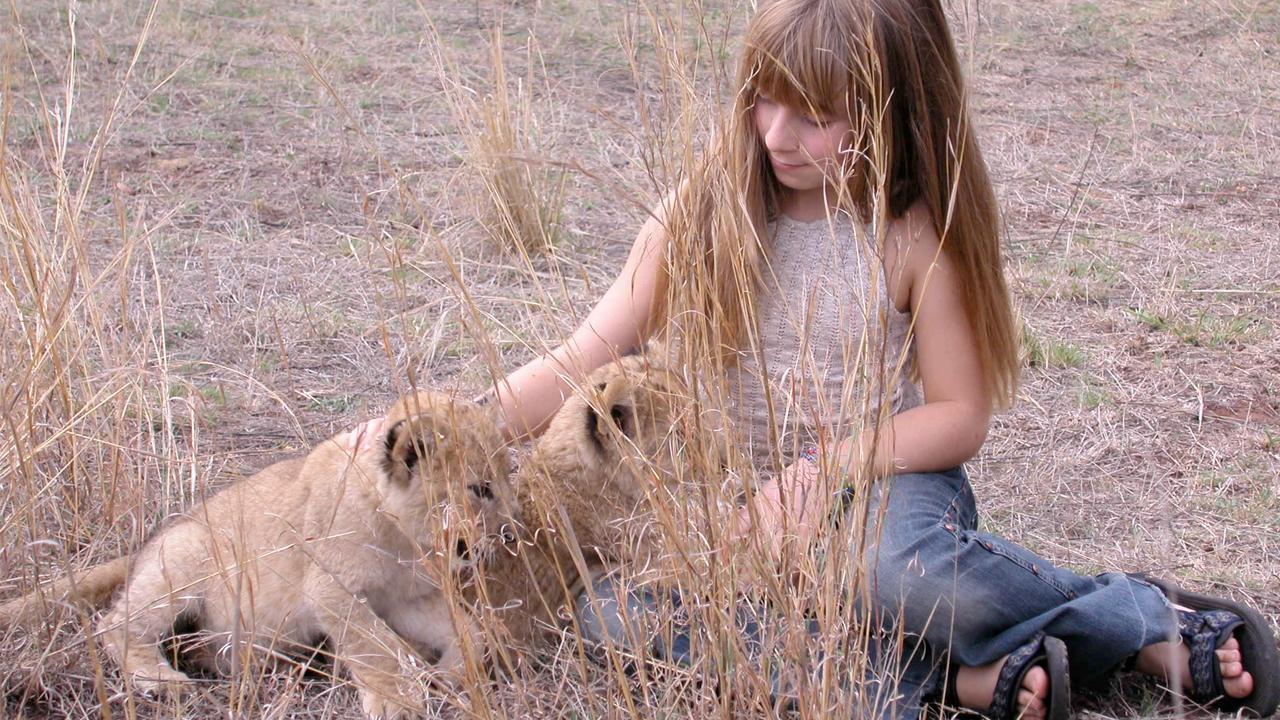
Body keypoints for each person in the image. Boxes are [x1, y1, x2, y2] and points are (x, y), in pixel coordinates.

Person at [347, 0, 1278, 718]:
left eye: (819, 113)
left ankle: (1139, 618)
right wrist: (447, 435)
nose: (779, 135)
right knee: (597, 614)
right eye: (766, 98)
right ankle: (949, 679)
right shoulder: (704, 214)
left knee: (903, 574)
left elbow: (959, 415)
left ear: (893, 106)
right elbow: (581, 355)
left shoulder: (913, 235)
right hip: (717, 511)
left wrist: (818, 474)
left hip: (878, 495)